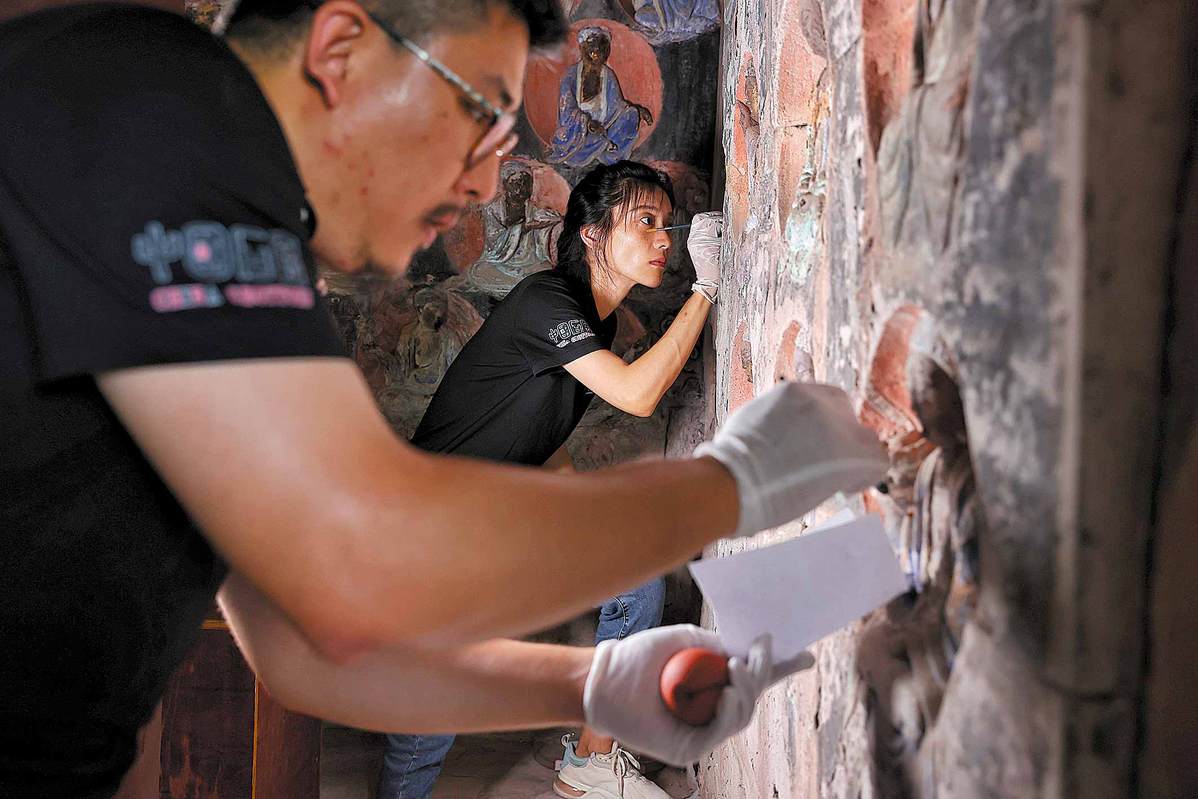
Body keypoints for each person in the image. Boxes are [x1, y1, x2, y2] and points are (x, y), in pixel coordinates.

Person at [0, 2, 887, 797]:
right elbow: (358, 561)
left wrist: (594, 688)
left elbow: (308, 646)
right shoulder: (159, 102)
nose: (484, 182)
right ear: (340, 51)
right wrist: (735, 484)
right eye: (479, 112)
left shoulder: (231, 260)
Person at [381, 161, 719, 799]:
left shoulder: (597, 322)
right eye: (646, 222)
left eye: (666, 224)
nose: (664, 239)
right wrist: (707, 289)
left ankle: (591, 758)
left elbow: (542, 434)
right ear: (593, 234)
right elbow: (637, 395)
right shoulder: (546, 301)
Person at [548, 26, 653, 168]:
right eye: (592, 48)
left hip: (606, 127)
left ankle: (609, 155)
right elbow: (566, 109)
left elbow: (617, 106)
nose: (596, 53)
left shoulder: (608, 74)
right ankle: (597, 148)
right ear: (583, 49)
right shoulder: (571, 75)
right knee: (583, 141)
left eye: (601, 49)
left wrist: (638, 110)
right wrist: (588, 123)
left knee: (631, 114)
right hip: (580, 132)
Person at [465, 161, 563, 298]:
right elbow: (493, 245)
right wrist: (524, 227)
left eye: (525, 183)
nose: (521, 189)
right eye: (516, 183)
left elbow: (549, 221)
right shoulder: (493, 209)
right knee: (479, 271)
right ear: (506, 185)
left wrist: (551, 222)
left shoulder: (532, 210)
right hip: (500, 263)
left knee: (546, 272)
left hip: (529, 263)